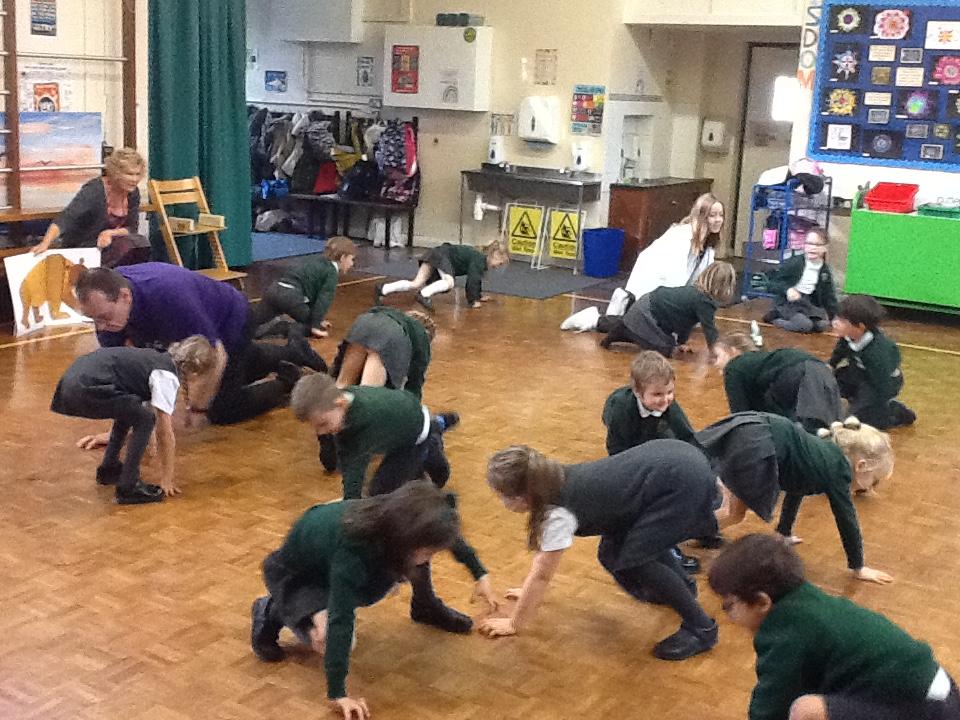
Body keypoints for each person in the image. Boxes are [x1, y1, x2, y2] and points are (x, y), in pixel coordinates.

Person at [289, 373, 498, 634]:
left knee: (407, 513)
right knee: (403, 507)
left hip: (415, 436)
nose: (321, 433)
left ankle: (425, 601)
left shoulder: (362, 424)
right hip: (403, 429)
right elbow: (352, 484)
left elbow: (355, 484)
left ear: (340, 403)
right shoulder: (343, 413)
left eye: (322, 424)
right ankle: (424, 602)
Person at [479, 441, 720, 661]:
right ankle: (681, 588)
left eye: (503, 497)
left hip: (681, 483)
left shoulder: (557, 515)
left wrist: (514, 623)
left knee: (637, 561)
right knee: (612, 553)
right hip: (673, 463)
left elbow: (542, 574)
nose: (503, 503)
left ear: (523, 497)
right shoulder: (551, 479)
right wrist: (527, 593)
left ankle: (702, 628)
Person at [251, 480, 463, 720]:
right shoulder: (353, 551)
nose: (429, 559)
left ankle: (303, 610)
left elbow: (451, 535)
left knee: (394, 576)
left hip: (327, 560)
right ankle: (272, 609)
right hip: (298, 575)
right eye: (428, 552)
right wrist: (338, 693)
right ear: (406, 540)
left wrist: (480, 574)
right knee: (330, 636)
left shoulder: (400, 515)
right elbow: (341, 617)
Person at [708, 534, 960, 720]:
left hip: (925, 710)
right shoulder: (806, 600)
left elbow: (769, 707)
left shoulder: (788, 632)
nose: (727, 614)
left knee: (806, 710)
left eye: (729, 605)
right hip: (934, 695)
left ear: (763, 602)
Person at [75, 264, 324, 427]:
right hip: (201, 324)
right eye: (93, 320)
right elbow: (126, 375)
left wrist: (198, 408)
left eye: (104, 318)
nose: (101, 327)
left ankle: (287, 380)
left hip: (231, 320)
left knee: (223, 410)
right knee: (241, 369)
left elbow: (217, 355)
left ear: (125, 296)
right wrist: (118, 431)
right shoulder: (107, 310)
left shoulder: (169, 298)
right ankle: (292, 352)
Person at [697, 413, 894, 584]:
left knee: (728, 507)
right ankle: (682, 533)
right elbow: (846, 518)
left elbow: (796, 487)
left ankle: (696, 529)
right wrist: (859, 567)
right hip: (758, 442)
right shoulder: (838, 470)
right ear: (860, 466)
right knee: (734, 513)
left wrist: (784, 532)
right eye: (873, 480)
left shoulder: (822, 453)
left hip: (755, 428)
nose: (869, 488)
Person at [49, 335, 222, 504]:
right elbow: (164, 432)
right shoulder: (166, 376)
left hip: (72, 382)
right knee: (145, 419)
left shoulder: (155, 358)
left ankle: (109, 469)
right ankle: (128, 486)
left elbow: (135, 400)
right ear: (194, 373)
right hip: (85, 386)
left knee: (130, 409)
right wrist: (167, 478)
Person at [602, 350, 702, 572]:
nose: (665, 399)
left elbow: (688, 438)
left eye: (670, 392)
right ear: (638, 392)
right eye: (657, 394)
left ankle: (702, 527)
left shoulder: (668, 406)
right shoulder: (621, 410)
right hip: (626, 441)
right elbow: (617, 450)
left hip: (652, 428)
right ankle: (665, 549)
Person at [318, 307, 435, 472]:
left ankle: (325, 427)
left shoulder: (390, 314)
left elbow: (337, 372)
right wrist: (413, 417)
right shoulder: (419, 338)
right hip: (391, 337)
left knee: (342, 384)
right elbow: (414, 386)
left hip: (364, 322)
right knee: (367, 398)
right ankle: (345, 449)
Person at [32, 148, 149, 267]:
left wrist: (110, 233)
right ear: (116, 173)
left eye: (137, 174)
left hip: (112, 244)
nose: (135, 179)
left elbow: (132, 228)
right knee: (126, 246)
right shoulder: (94, 190)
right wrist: (45, 243)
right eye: (129, 174)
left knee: (140, 243)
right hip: (85, 246)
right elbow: (66, 218)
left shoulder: (133, 192)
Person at [599, 261, 736, 358]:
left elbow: (686, 323)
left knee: (658, 340)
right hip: (647, 314)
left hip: (646, 304)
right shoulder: (704, 302)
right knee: (665, 351)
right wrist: (718, 352)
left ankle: (620, 330)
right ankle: (626, 331)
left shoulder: (695, 293)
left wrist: (681, 342)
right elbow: (710, 330)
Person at [714, 331, 842, 432]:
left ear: (733, 351)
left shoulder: (734, 366)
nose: (716, 363)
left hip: (800, 375)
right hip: (822, 373)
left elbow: (741, 417)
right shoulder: (762, 365)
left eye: (718, 356)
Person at [830, 294, 916, 429]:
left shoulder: (878, 351)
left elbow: (880, 385)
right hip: (858, 373)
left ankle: (894, 410)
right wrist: (831, 364)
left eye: (842, 321)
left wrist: (864, 407)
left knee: (862, 420)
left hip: (879, 383)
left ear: (860, 327)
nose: (835, 323)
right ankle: (854, 399)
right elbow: (841, 350)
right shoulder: (848, 336)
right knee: (828, 381)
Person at [251, 236, 357, 339]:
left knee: (252, 326)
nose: (352, 264)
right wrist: (315, 325)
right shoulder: (331, 272)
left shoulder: (316, 260)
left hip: (274, 290)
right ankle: (282, 327)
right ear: (343, 258)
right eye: (352, 259)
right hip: (291, 297)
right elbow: (323, 300)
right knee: (309, 328)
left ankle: (262, 328)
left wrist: (318, 320)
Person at [625, 192, 725, 301]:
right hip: (649, 296)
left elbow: (699, 282)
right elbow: (674, 279)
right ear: (701, 217)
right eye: (712, 215)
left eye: (721, 215)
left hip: (667, 296)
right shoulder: (680, 237)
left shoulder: (708, 246)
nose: (718, 219)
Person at [375, 239, 509, 310]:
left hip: (436, 253)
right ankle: (423, 294)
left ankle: (383, 288)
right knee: (449, 283)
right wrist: (472, 301)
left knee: (416, 283)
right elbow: (472, 280)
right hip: (441, 256)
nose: (498, 266)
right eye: (500, 262)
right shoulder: (479, 258)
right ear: (494, 255)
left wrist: (478, 296)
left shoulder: (479, 259)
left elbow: (476, 279)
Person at [763, 227, 838, 334]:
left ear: (825, 248)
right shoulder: (794, 263)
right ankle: (775, 318)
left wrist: (834, 317)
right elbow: (773, 284)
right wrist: (787, 290)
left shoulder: (824, 270)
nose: (813, 248)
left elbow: (829, 296)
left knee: (822, 325)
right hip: (788, 304)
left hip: (808, 304)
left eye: (817, 245)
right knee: (804, 325)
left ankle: (808, 322)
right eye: (809, 244)